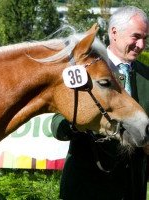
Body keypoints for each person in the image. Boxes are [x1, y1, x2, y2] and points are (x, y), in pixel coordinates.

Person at [51, 6, 149, 200]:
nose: (141, 45)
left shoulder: (147, 76)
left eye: (145, 38)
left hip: (132, 189)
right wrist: (78, 123)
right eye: (136, 37)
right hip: (86, 188)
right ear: (114, 32)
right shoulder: (83, 70)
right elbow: (57, 125)